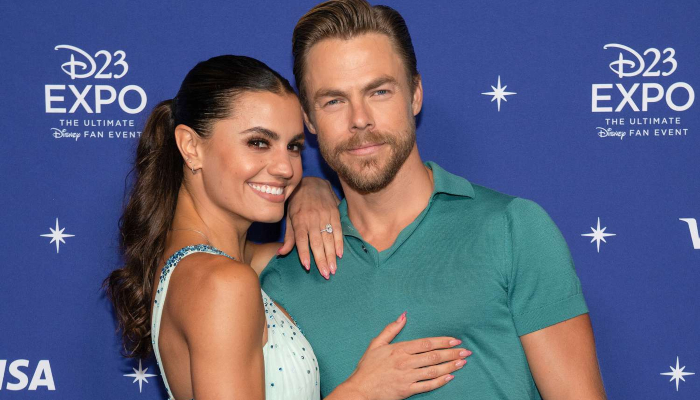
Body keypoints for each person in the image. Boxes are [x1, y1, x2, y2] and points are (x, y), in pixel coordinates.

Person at [260, 1, 608, 399]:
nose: (359, 118)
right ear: (309, 118)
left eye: (379, 91)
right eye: (334, 100)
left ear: (415, 94)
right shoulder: (284, 278)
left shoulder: (512, 229)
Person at [105, 55, 470, 400]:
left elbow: (286, 253)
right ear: (190, 146)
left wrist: (312, 188)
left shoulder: (197, 265)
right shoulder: (223, 282)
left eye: (293, 147)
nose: (285, 168)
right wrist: (362, 390)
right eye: (258, 142)